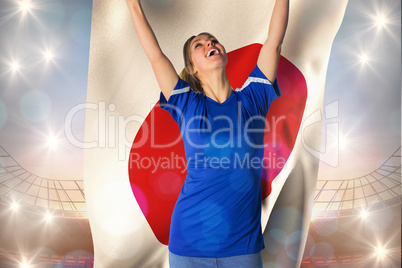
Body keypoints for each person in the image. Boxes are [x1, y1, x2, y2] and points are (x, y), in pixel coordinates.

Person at [126, 0, 289, 267]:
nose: (209, 44)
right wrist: (133, 5)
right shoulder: (187, 103)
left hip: (242, 246)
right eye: (198, 45)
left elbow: (273, 42)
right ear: (192, 68)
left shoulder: (253, 99)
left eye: (212, 40)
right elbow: (155, 55)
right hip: (188, 244)